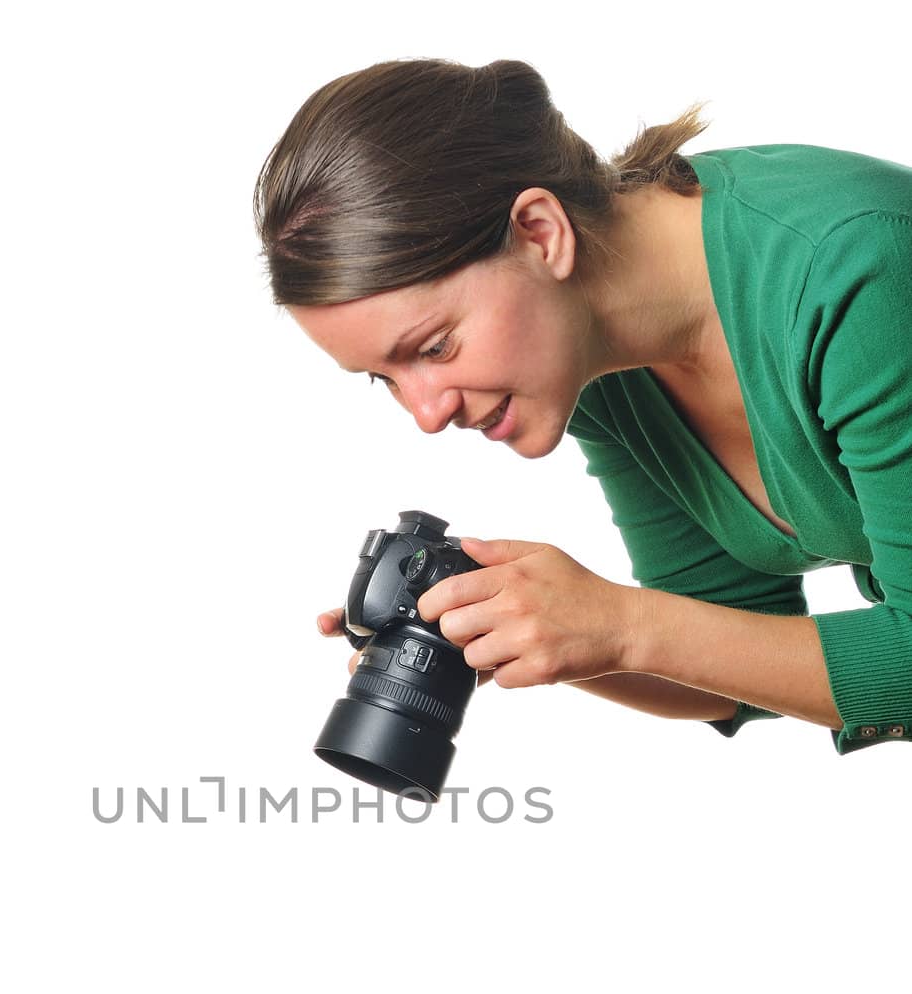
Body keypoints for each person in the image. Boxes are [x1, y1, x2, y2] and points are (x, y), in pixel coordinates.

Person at [254, 58, 912, 752]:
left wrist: (620, 624)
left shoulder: (851, 269)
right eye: (381, 377)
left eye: (435, 346)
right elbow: (724, 648)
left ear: (540, 233)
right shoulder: (595, 358)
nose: (425, 413)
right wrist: (516, 627)